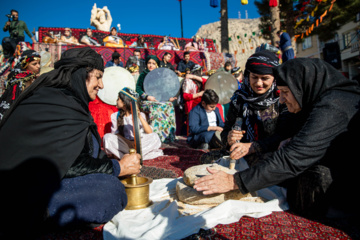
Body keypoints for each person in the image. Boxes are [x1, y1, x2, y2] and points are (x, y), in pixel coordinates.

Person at [194, 58, 360, 219]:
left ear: (302, 86)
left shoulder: (332, 107)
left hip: (289, 162)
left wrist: (234, 181)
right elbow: (228, 130)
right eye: (254, 77)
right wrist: (229, 137)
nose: (259, 83)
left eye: (286, 92)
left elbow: (292, 155)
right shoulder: (239, 100)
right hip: (260, 157)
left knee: (314, 178)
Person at [0, 47, 141, 230]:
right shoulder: (57, 103)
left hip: (40, 181)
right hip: (19, 193)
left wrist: (109, 166)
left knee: (109, 182)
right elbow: (67, 164)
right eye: (98, 76)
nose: (102, 85)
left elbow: (76, 151)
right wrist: (118, 167)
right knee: (109, 191)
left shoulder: (65, 100)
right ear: (81, 74)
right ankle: (38, 217)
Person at [103, 88, 163, 160]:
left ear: (124, 102)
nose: (116, 101)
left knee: (154, 136)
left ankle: (128, 156)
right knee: (107, 137)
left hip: (140, 144)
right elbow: (115, 134)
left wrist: (139, 116)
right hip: (124, 144)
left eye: (118, 99)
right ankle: (131, 156)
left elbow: (149, 132)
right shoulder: (115, 115)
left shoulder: (141, 115)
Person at [0, 50, 41, 120]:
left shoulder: (16, 75)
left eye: (39, 63)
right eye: (34, 64)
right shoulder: (25, 78)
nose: (38, 66)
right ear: (25, 65)